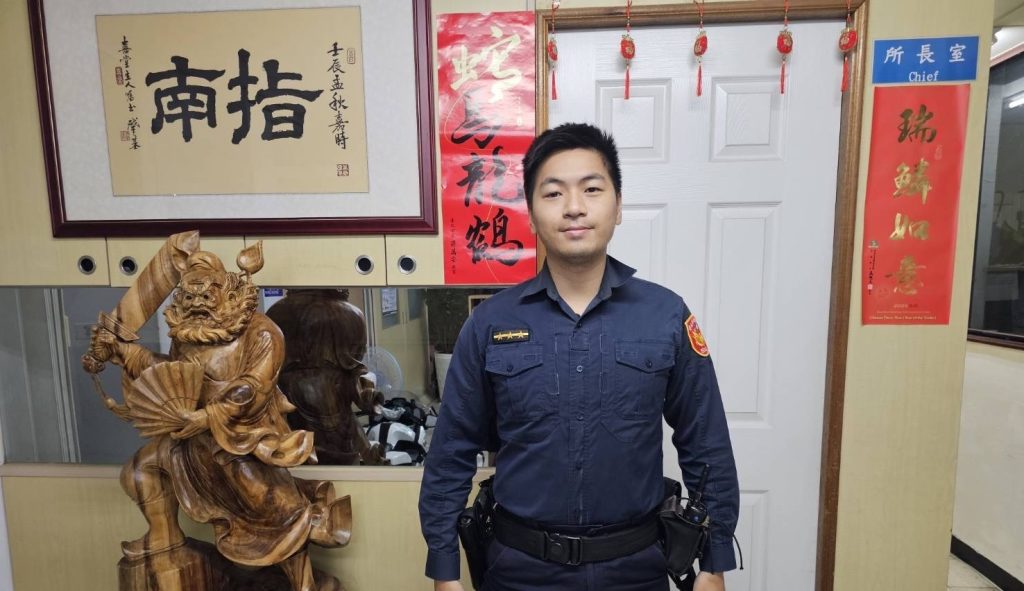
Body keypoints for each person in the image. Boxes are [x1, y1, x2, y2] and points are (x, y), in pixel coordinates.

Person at [419, 122, 739, 591]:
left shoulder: (666, 315)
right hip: (519, 571)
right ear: (531, 214)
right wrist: (444, 567)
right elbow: (452, 450)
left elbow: (705, 441)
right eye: (553, 193)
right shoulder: (489, 323)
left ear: (618, 205)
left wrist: (715, 558)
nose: (574, 207)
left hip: (636, 569)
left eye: (592, 189)